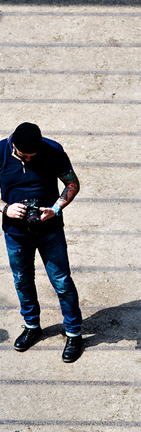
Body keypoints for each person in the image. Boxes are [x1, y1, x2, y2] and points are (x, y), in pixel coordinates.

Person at [0, 122, 82, 362]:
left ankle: (74, 333)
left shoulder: (53, 150)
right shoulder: (1, 152)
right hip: (15, 232)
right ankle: (31, 327)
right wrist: (5, 208)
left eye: (32, 156)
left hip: (50, 230)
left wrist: (55, 209)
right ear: (13, 144)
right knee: (22, 281)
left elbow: (72, 184)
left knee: (62, 281)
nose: (27, 160)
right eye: (23, 156)